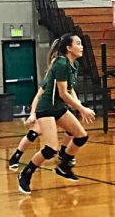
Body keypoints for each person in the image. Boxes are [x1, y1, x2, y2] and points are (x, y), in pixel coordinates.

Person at [18, 34, 96, 194]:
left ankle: (63, 166)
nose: (82, 47)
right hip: (46, 108)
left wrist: (79, 106)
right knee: (50, 149)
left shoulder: (73, 64)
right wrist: (82, 109)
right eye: (78, 44)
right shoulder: (60, 63)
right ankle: (25, 174)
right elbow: (62, 93)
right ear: (68, 48)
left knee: (81, 136)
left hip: (59, 107)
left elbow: (70, 90)